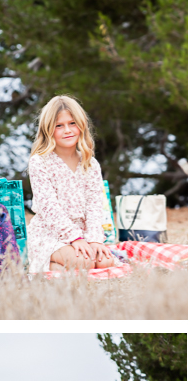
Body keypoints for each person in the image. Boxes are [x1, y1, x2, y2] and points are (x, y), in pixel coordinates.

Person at [27, 95, 115, 275]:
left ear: (81, 125)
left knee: (106, 261)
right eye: (59, 126)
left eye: (72, 123)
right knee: (84, 262)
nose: (67, 130)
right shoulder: (40, 162)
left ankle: (61, 270)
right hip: (50, 233)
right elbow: (49, 207)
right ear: (48, 129)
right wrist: (74, 238)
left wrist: (95, 240)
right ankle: (43, 263)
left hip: (83, 233)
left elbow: (94, 205)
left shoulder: (90, 163)